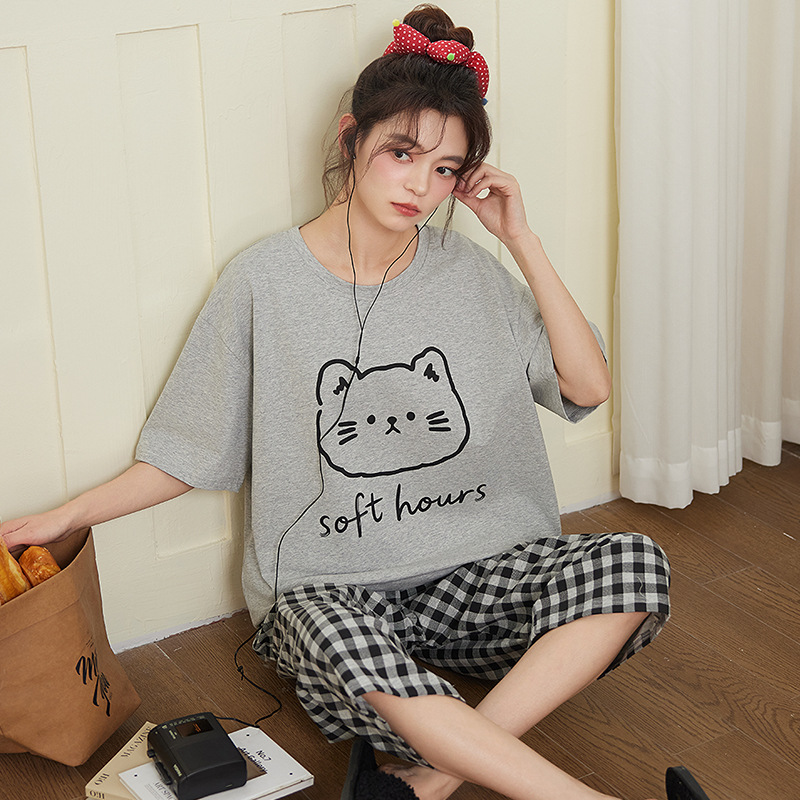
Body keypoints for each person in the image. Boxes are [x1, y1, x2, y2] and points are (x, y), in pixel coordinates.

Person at [1, 6, 680, 800]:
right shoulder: (263, 283)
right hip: (335, 595)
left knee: (635, 563)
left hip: (481, 584)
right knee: (328, 632)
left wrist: (520, 240)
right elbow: (188, 453)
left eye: (446, 170)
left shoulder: (471, 272)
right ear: (350, 137)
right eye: (402, 153)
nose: (421, 186)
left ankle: (432, 775)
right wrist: (63, 519)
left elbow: (587, 387)